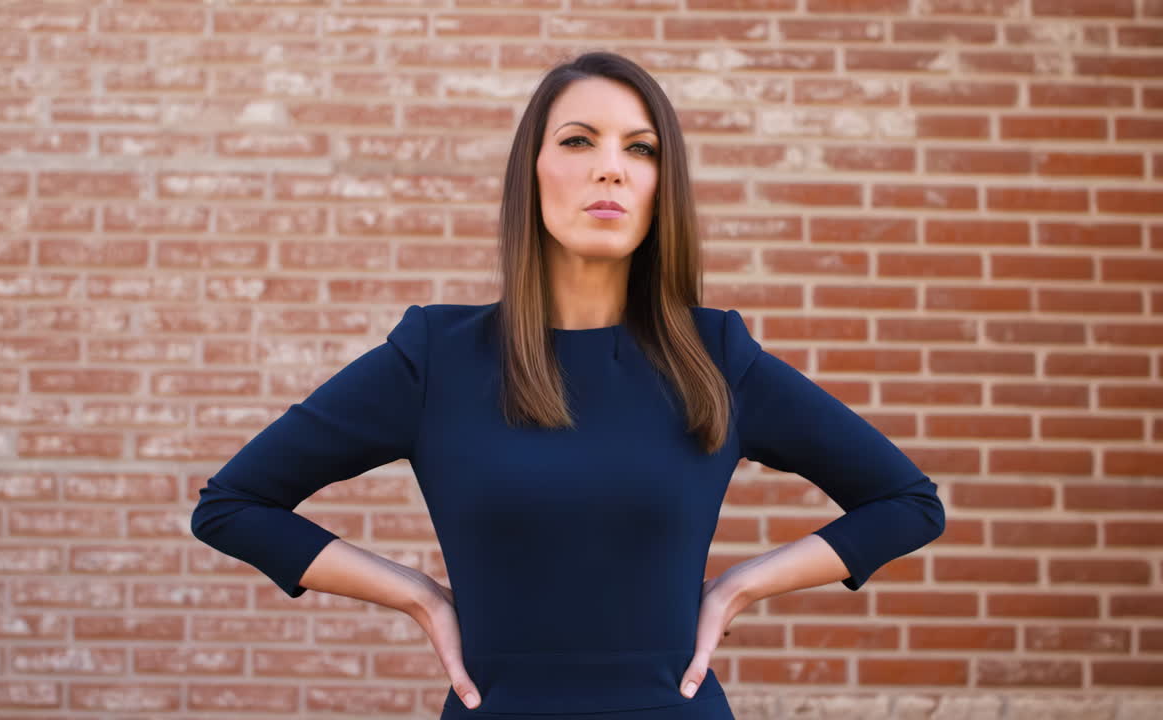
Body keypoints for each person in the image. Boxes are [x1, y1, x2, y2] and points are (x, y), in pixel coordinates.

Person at [190, 51, 945, 719]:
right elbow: (234, 505)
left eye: (640, 149)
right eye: (579, 140)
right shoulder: (436, 356)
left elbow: (906, 503)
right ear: (533, 171)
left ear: (661, 186)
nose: (610, 167)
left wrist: (736, 590)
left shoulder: (716, 355)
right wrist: (419, 596)